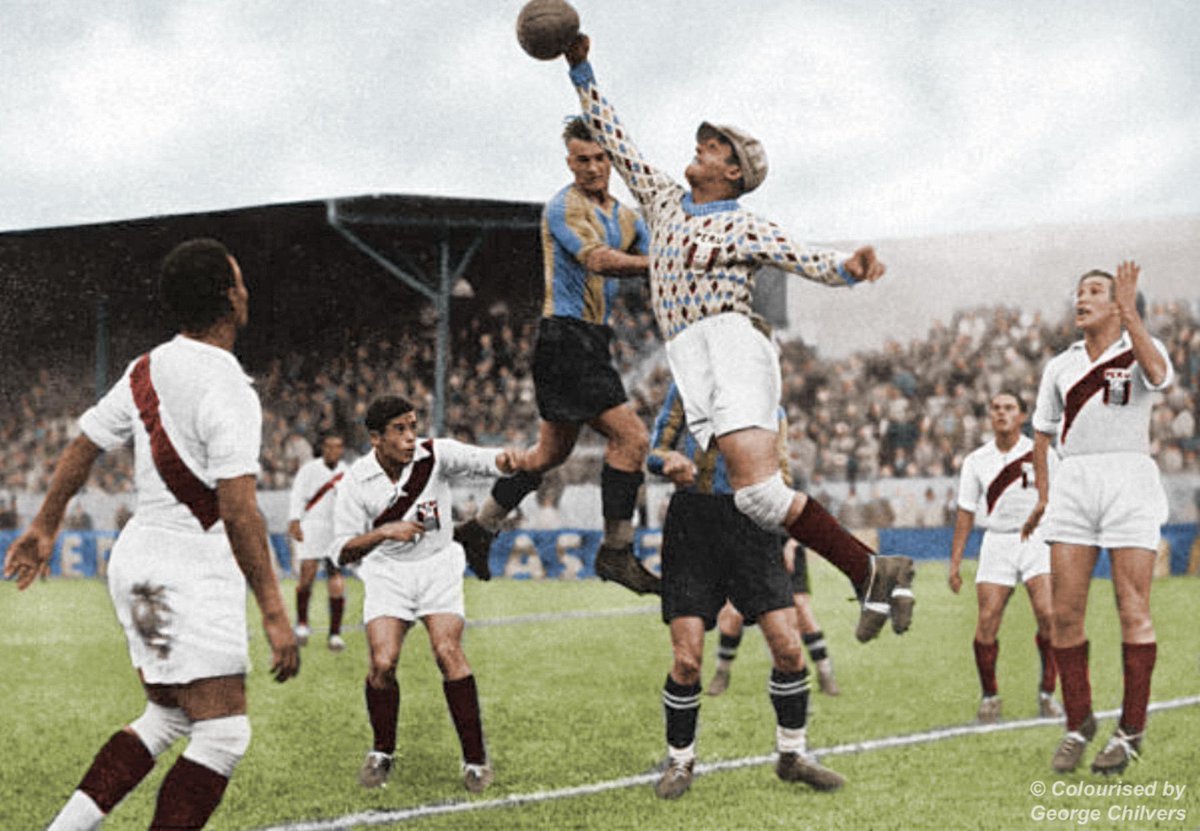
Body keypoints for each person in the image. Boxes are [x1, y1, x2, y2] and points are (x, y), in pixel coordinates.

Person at [560, 35, 915, 645]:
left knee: (755, 490)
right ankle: (873, 570)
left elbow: (801, 256)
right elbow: (616, 140)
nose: (703, 145)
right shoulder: (666, 202)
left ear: (734, 172)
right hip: (687, 353)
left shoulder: (743, 223)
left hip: (731, 343)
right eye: (706, 140)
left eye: (717, 144)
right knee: (757, 499)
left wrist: (847, 269)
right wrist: (579, 66)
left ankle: (873, 571)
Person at [4, 238, 299, 829]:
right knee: (222, 736)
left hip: (135, 561)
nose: (246, 291)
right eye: (239, 281)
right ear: (228, 298)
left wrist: (45, 524)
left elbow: (84, 444)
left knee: (166, 719)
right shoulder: (230, 388)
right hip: (189, 567)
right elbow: (240, 511)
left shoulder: (146, 368)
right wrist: (273, 609)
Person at [454, 115, 659, 596]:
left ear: (612, 159)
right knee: (632, 441)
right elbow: (599, 260)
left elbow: (657, 256)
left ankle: (479, 528)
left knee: (549, 454)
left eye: (600, 158)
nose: (591, 168)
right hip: (566, 338)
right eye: (581, 159)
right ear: (569, 160)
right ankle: (616, 552)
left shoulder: (627, 217)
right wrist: (659, 262)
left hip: (586, 341)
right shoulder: (563, 208)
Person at [646, 380, 844, 799]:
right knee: (686, 660)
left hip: (755, 524)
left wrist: (790, 535)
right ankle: (680, 761)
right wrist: (669, 463)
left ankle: (792, 755)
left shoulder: (769, 401)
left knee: (789, 649)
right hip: (694, 525)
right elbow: (654, 450)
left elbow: (784, 474)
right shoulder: (686, 388)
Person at [1023, 262, 1172, 775]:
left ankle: (1130, 732)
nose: (1080, 299)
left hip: (1129, 480)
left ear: (1116, 303)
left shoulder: (1141, 348)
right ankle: (1079, 722)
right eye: (1078, 291)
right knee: (1064, 615)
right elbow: (1042, 434)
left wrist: (1133, 316)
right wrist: (1044, 495)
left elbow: (1159, 376)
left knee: (1132, 608)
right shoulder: (1058, 366)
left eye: (1094, 292)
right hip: (1075, 484)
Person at [331, 395, 516, 793]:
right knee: (383, 663)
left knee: (448, 652)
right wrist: (384, 532)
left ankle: (475, 761)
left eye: (413, 426)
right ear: (376, 438)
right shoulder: (356, 480)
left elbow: (489, 460)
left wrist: (514, 460)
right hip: (387, 573)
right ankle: (382, 751)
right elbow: (342, 551)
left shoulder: (435, 455)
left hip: (438, 566)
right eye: (400, 429)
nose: (411, 437)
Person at [948, 392, 1061, 724]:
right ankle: (990, 696)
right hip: (997, 541)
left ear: (1022, 415)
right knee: (987, 621)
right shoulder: (976, 461)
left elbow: (1058, 498)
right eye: (996, 408)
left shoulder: (1041, 453)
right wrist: (955, 563)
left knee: (1047, 614)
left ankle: (1047, 693)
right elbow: (966, 513)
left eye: (1009, 408)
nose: (1001, 413)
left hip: (1035, 539)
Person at [707, 539, 840, 698]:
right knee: (733, 614)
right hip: (749, 551)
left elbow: (809, 517)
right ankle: (722, 672)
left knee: (801, 608)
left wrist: (792, 544)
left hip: (787, 548)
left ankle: (825, 672)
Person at [287, 433, 349, 651]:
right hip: (312, 524)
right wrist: (294, 520)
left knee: (335, 575)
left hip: (336, 528)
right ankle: (302, 623)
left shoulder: (347, 472)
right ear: (322, 448)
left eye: (338, 446)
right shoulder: (309, 470)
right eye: (330, 446)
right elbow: (297, 495)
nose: (334, 450)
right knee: (307, 573)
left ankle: (335, 633)